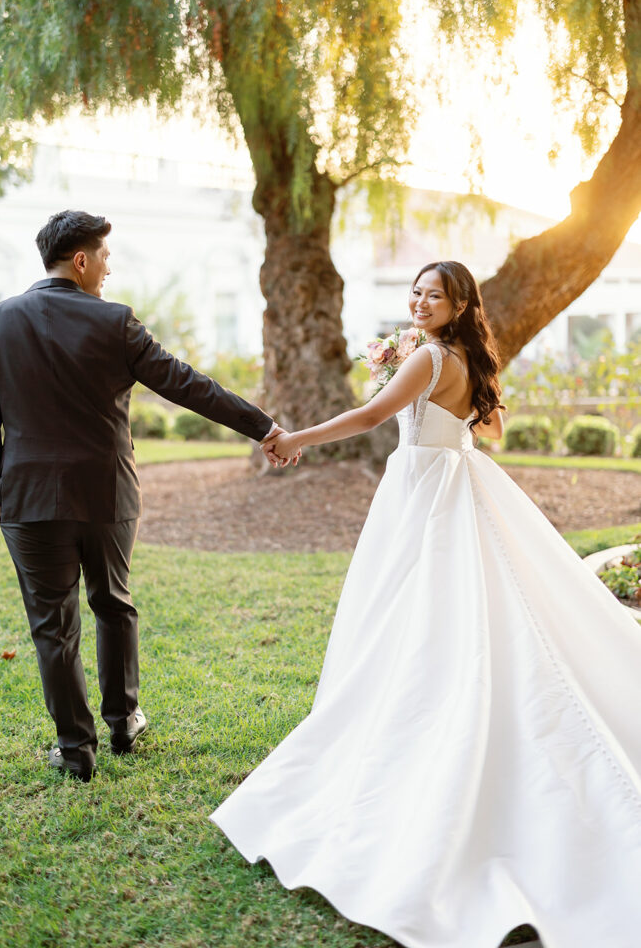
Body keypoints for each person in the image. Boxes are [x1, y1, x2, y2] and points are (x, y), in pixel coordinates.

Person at [211, 261, 641, 948]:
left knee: (417, 608)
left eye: (431, 294)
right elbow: (490, 430)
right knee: (464, 606)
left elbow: (372, 416)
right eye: (413, 292)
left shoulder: (431, 355)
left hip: (422, 488)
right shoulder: (467, 356)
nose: (418, 301)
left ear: (457, 303)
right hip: (456, 476)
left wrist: (294, 440)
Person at [0, 209, 284, 783]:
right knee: (113, 601)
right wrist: (263, 428)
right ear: (81, 261)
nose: (108, 269)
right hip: (107, 492)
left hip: (28, 498)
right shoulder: (115, 323)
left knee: (51, 625)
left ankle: (75, 749)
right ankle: (123, 720)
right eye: (105, 258)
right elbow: (187, 384)